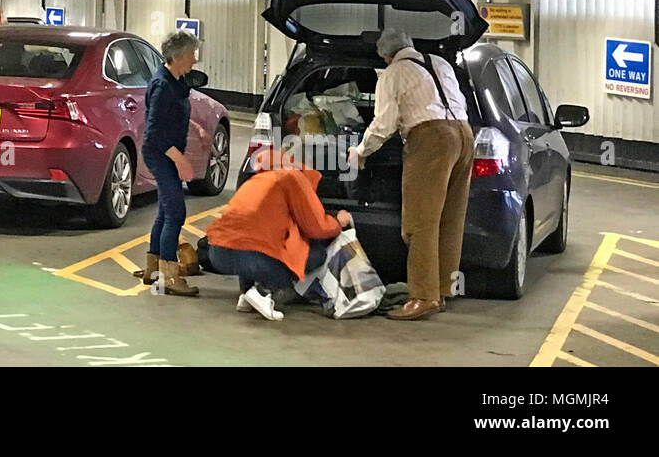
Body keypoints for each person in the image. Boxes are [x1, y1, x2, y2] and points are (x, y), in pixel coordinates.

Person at [348, 26, 474, 321]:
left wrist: (361, 152)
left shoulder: (393, 74)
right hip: (464, 134)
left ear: (385, 55)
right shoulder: (439, 63)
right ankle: (442, 289)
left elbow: (384, 123)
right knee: (450, 219)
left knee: (420, 223)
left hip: (430, 139)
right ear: (410, 45)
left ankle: (423, 297)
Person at [205, 146, 349, 321]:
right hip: (250, 258)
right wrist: (338, 222)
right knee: (314, 255)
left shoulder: (258, 179)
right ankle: (262, 292)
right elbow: (315, 227)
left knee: (252, 240)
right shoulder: (292, 177)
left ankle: (247, 294)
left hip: (217, 254)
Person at [134, 29, 202, 298]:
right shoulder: (162, 85)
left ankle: (153, 269)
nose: (194, 60)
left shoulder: (174, 81)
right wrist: (180, 159)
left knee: (165, 211)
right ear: (178, 56)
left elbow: (173, 114)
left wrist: (196, 127)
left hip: (165, 153)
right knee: (175, 212)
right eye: (191, 54)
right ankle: (170, 277)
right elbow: (155, 132)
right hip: (160, 154)